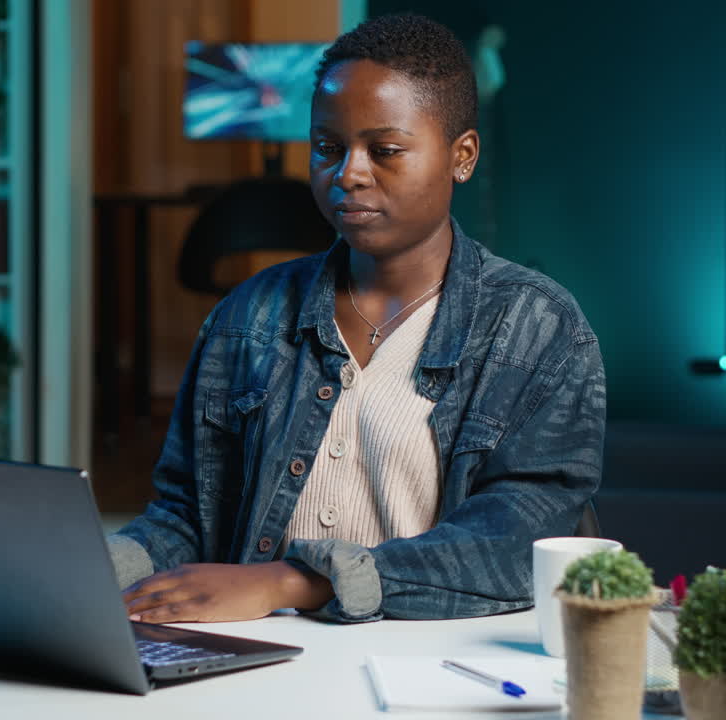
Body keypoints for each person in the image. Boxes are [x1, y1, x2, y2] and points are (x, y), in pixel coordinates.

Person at [107, 13, 605, 624]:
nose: (349, 174)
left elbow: (515, 543)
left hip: (437, 660)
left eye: (385, 150)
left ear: (463, 156)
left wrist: (290, 583)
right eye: (328, 148)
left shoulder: (538, 327)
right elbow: (186, 513)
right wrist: (104, 565)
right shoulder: (246, 316)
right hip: (257, 658)